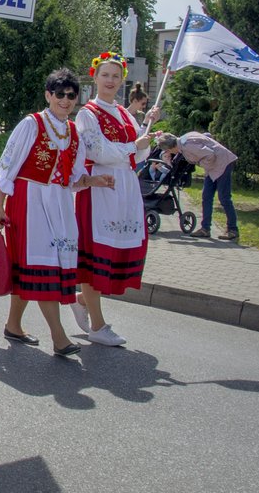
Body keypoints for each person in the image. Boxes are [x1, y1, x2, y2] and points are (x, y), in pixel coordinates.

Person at [0, 68, 114, 356]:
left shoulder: (73, 132)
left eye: (71, 96)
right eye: (59, 94)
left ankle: (13, 325)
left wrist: (94, 180)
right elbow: (8, 166)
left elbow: (73, 179)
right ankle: (59, 337)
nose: (65, 100)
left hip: (58, 203)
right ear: (48, 95)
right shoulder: (31, 124)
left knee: (35, 267)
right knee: (43, 266)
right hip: (28, 200)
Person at [73, 52, 160, 346]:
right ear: (95, 77)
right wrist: (132, 147)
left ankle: (82, 301)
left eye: (115, 76)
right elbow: (96, 150)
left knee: (114, 251)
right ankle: (98, 325)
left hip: (125, 185)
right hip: (100, 186)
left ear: (122, 80)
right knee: (94, 252)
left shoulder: (123, 113)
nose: (110, 81)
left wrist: (145, 133)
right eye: (105, 75)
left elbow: (140, 152)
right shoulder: (88, 113)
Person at [156, 131, 239, 241]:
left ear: (170, 148)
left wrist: (202, 164)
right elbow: (207, 137)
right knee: (206, 197)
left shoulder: (187, 146)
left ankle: (232, 230)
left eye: (168, 151)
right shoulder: (184, 140)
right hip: (213, 167)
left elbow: (210, 155)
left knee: (224, 198)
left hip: (222, 164)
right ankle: (205, 229)